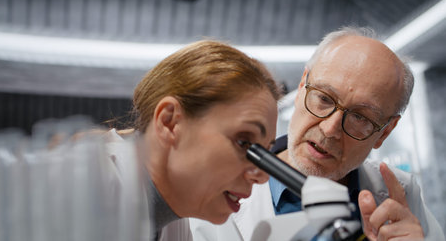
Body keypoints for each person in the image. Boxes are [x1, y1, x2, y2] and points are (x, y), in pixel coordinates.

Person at [189, 27, 445, 240]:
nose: (330, 128)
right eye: (324, 98)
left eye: (359, 117)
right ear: (302, 86)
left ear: (385, 132)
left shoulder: (402, 197)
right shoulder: (211, 193)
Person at [105, 40, 282, 240]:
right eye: (244, 142)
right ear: (170, 122)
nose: (262, 177)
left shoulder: (175, 221)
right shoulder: (92, 184)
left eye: (265, 152)